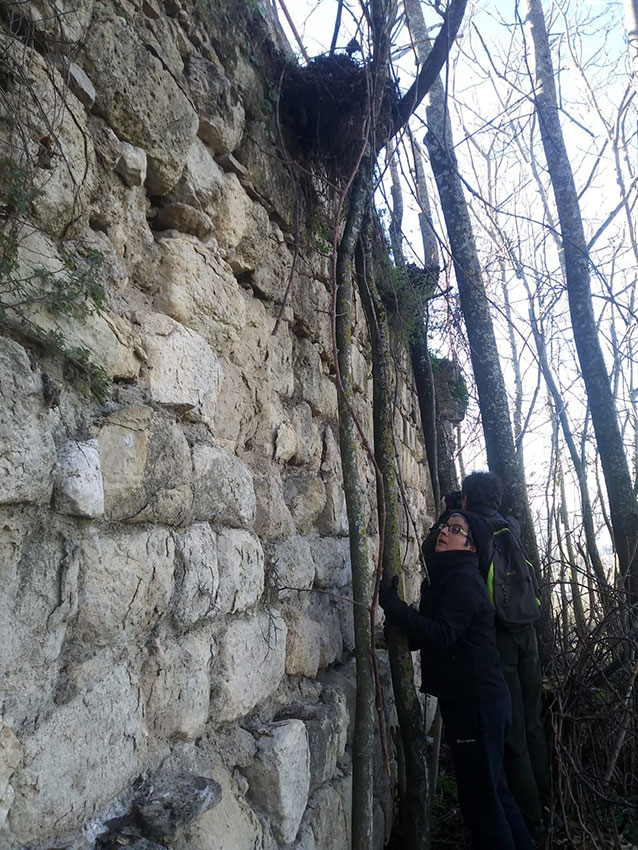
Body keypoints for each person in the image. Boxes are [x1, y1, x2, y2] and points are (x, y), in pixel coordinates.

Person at [380, 512, 535, 850]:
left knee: (483, 806)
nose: (444, 533)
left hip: (476, 707)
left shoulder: (463, 579)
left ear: (471, 545)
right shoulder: (449, 577)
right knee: (495, 793)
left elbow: (442, 634)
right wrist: (403, 626)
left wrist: (394, 606)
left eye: (455, 529)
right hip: (481, 703)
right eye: (444, 526)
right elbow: (441, 631)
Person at [460, 471, 551, 831]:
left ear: (467, 498)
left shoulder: (470, 525)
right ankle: (545, 797)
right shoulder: (509, 525)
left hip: (498, 636)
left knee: (511, 730)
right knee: (532, 722)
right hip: (527, 628)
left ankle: (529, 814)